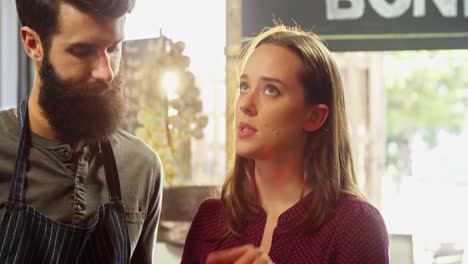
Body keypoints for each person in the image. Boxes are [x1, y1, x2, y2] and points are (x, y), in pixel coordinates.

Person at [181, 25, 389, 264]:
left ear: (314, 117)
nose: (245, 104)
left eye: (271, 90)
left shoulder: (355, 226)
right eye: (244, 86)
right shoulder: (211, 219)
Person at [0, 0, 163, 263]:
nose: (106, 72)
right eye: (82, 51)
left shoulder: (142, 167)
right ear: (32, 44)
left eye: (113, 48)